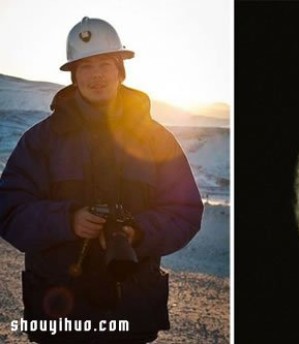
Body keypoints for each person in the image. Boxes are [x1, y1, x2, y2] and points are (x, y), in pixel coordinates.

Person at [0, 17, 204, 343]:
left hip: (131, 313)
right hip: (59, 314)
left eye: (105, 64)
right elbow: (8, 209)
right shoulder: (40, 141)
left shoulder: (156, 140)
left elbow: (185, 211)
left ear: (121, 70)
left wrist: (137, 232)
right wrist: (67, 221)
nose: (96, 75)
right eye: (85, 66)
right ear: (73, 75)